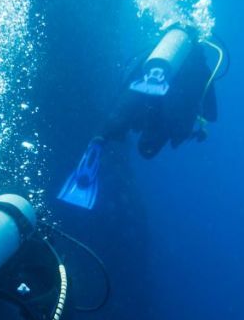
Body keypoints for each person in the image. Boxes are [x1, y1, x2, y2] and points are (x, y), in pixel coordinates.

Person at [58, 25, 225, 209]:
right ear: (199, 42)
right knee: (147, 150)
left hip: (138, 100)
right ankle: (146, 118)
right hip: (167, 115)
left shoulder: (154, 54)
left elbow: (128, 77)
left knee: (115, 123)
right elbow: (212, 114)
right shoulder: (202, 68)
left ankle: (97, 143)